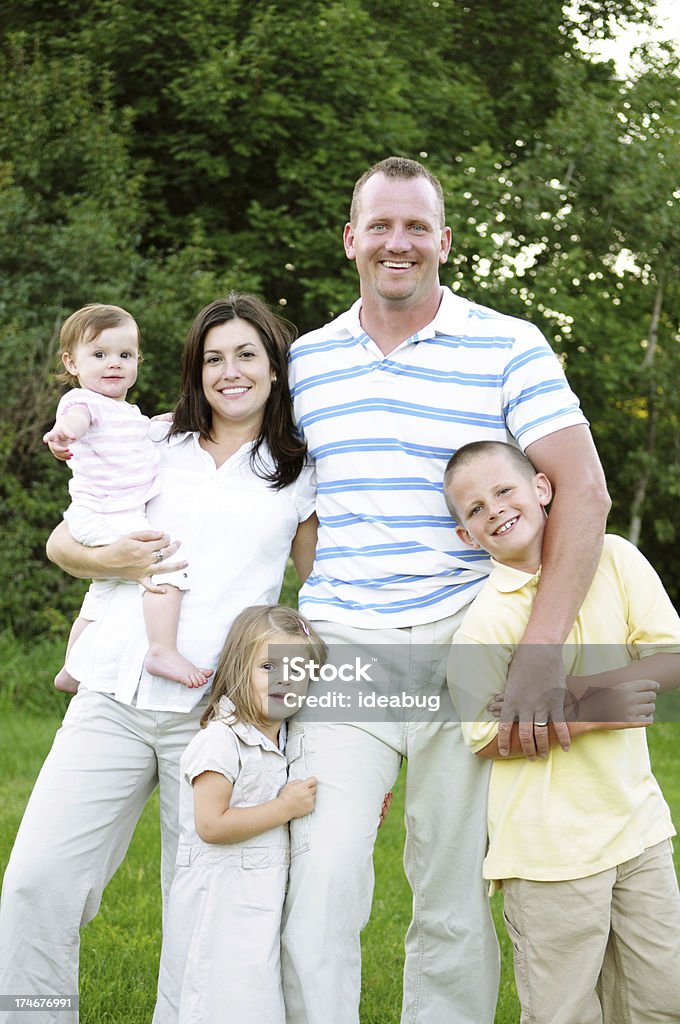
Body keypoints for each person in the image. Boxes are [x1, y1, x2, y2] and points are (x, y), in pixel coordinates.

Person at [282, 156, 610, 1024]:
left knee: (454, 896)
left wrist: (538, 654)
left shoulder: (509, 344)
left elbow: (583, 488)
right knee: (320, 878)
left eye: (416, 226)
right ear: (351, 239)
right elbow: (284, 499)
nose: (399, 242)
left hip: (464, 648)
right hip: (343, 655)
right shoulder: (307, 362)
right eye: (381, 225)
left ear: (443, 242)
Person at [0, 293, 318, 1024]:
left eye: (246, 355)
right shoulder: (155, 440)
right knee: (37, 882)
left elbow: (320, 590)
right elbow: (62, 545)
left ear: (274, 367)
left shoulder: (298, 467)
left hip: (216, 718)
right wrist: (107, 557)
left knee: (200, 910)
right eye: (212, 358)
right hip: (112, 692)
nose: (229, 371)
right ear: (193, 369)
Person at [445, 440, 680, 1024]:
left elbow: (672, 656)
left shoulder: (616, 558)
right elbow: (491, 737)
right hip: (548, 856)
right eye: (473, 509)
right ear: (467, 537)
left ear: (543, 489)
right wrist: (603, 709)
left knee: (662, 999)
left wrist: (572, 692)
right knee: (564, 1011)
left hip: (638, 831)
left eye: (504, 490)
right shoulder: (483, 626)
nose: (494, 509)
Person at [153, 604, 325, 1024]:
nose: (286, 678)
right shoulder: (221, 741)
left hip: (259, 902)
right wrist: (283, 808)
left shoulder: (287, 740)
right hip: (220, 903)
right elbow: (211, 824)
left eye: (298, 670)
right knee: (213, 999)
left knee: (254, 999)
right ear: (237, 670)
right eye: (269, 666)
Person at [43, 302, 211, 693]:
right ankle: (162, 650)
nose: (113, 363)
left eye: (125, 355)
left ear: (138, 360)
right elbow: (76, 421)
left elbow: (140, 434)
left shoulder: (126, 411)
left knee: (102, 591)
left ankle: (71, 668)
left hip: (109, 512)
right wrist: (64, 434)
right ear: (72, 363)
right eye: (99, 355)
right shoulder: (82, 403)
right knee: (166, 565)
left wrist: (163, 423)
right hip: (103, 512)